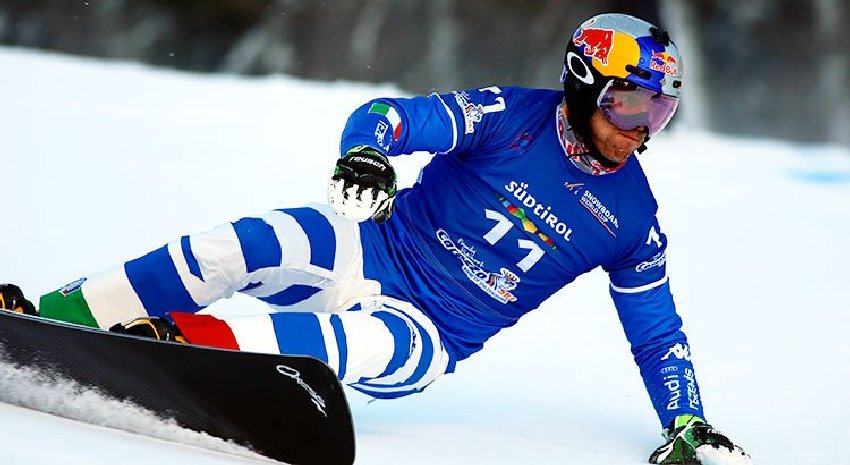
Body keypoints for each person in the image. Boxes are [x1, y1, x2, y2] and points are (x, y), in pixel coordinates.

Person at [1, 13, 752, 464]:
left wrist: (687, 420)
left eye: (658, 114)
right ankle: (61, 313)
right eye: (628, 106)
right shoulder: (506, 115)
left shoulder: (632, 218)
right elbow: (392, 121)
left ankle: (172, 338)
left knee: (342, 343)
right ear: (585, 86)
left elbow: (658, 336)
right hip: (372, 249)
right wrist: (367, 156)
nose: (638, 131)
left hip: (428, 331)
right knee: (244, 242)